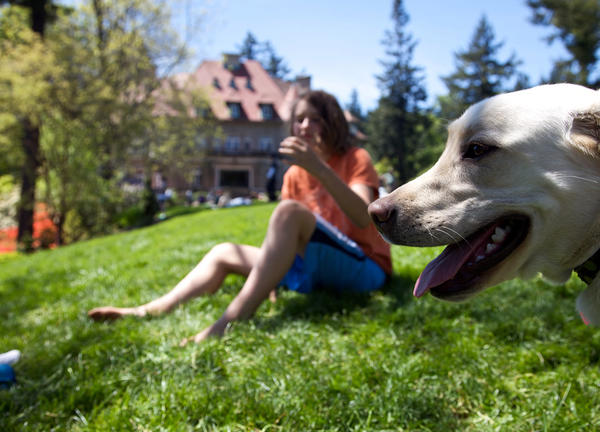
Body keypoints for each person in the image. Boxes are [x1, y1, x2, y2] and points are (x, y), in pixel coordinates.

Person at [88, 90, 392, 344]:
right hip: (311, 270)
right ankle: (149, 310)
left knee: (288, 211)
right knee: (222, 253)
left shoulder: (355, 158)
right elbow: (282, 238)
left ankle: (227, 323)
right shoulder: (294, 175)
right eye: (299, 119)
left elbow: (363, 217)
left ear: (333, 122)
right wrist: (269, 279)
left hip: (363, 269)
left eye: (314, 118)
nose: (304, 126)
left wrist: (320, 169)